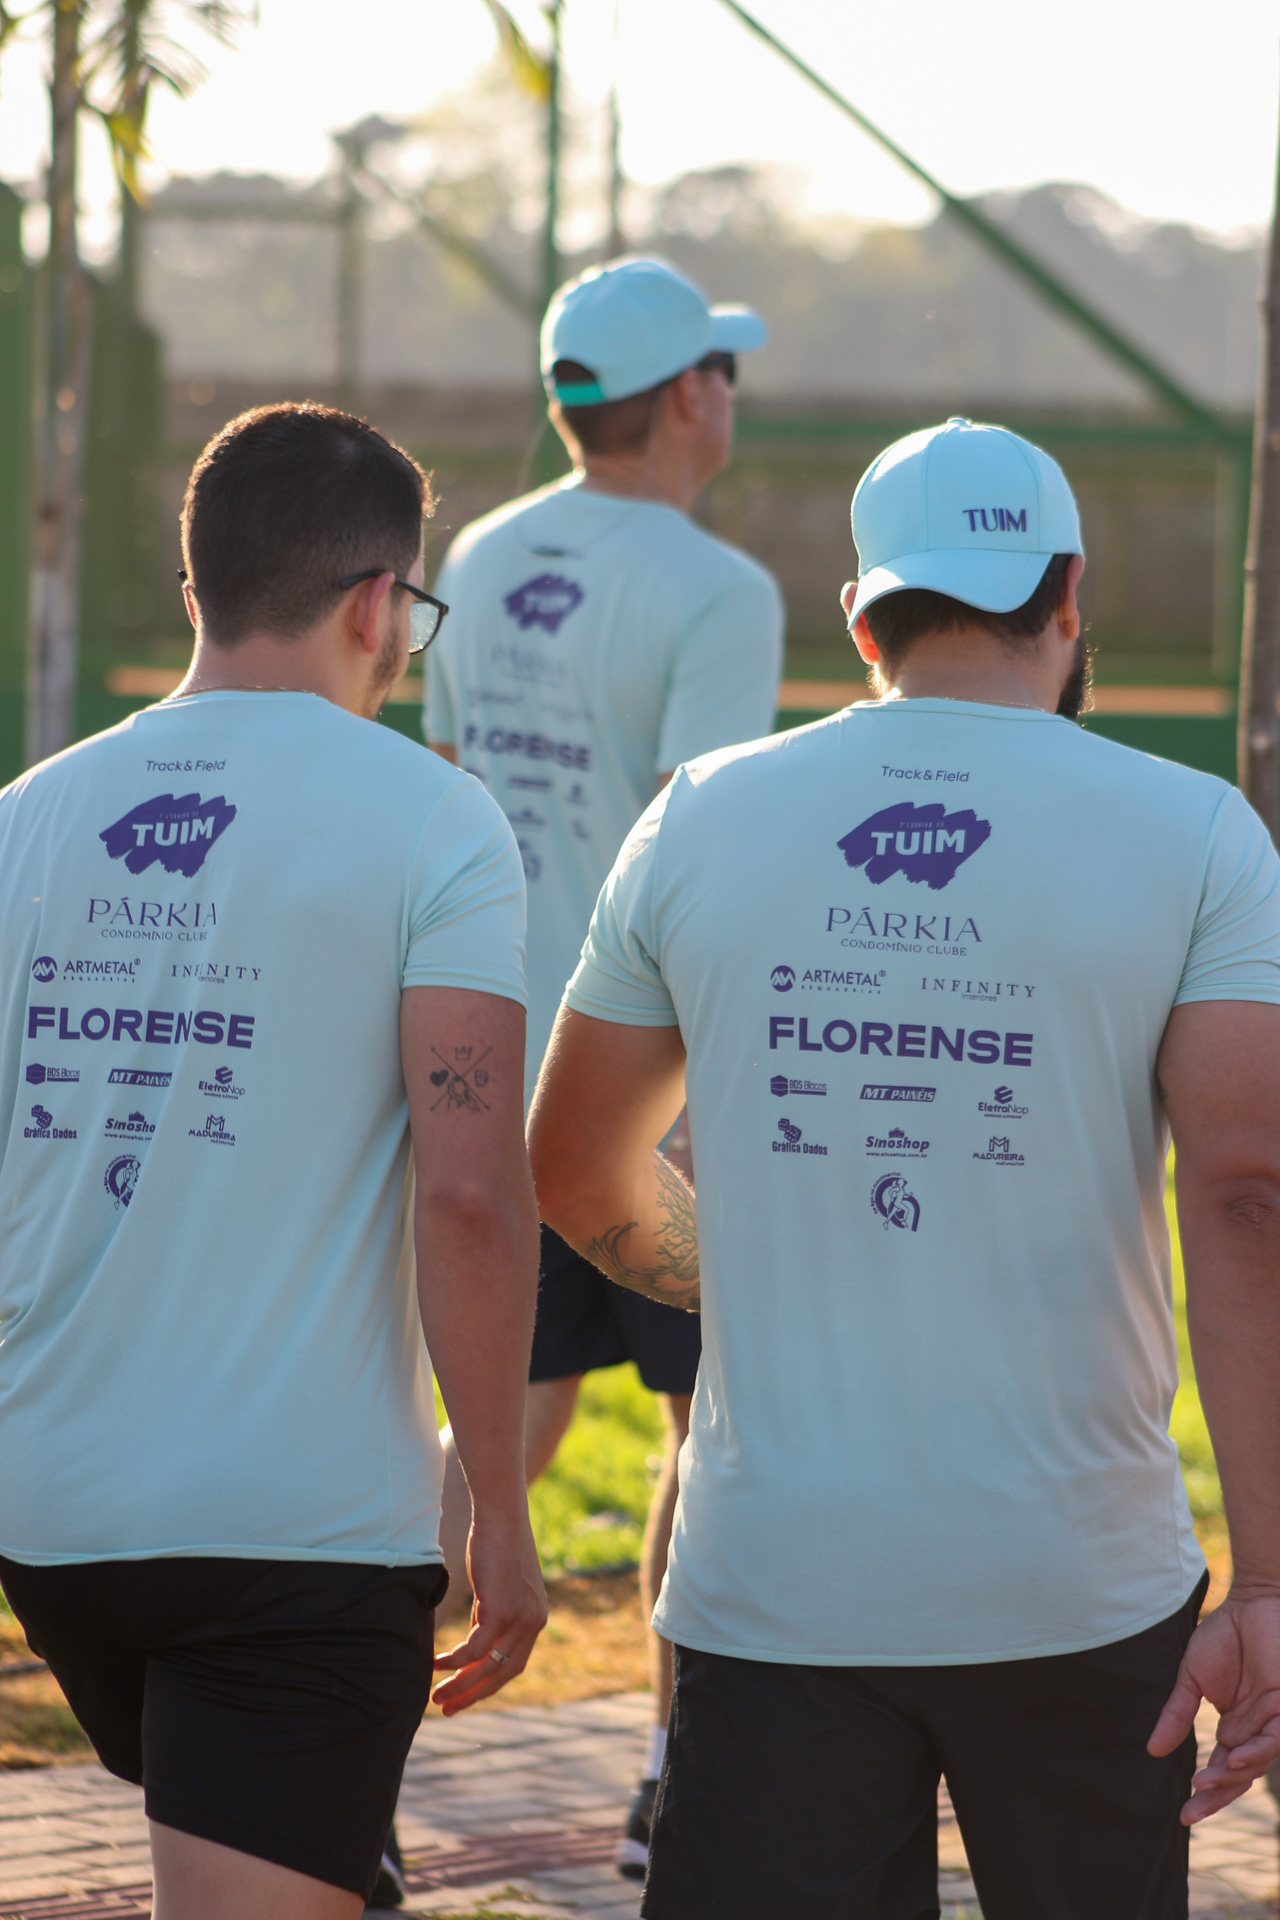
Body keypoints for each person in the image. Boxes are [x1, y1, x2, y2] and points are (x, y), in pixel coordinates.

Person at [528, 416, 1280, 1919]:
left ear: (864, 619)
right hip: (1081, 1583)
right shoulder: (1198, 831)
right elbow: (1245, 1192)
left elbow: (574, 1166)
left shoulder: (702, 813)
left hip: (777, 1587)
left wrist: (738, 1279)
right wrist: (1264, 1582)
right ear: (1070, 596)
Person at [0, 403, 546, 1920]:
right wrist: (499, 1510)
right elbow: (468, 1190)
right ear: (378, 605)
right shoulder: (435, 819)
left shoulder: (25, 821)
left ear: (200, 589)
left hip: (54, 1516)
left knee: (267, 1849)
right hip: (295, 1537)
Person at [425, 254, 783, 1874]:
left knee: (499, 1430)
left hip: (486, 1062)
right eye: (724, 369)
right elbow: (698, 855)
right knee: (711, 1430)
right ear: (690, 395)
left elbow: (451, 799)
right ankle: (668, 1785)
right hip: (643, 1095)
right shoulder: (720, 590)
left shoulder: (481, 553)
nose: (731, 394)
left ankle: (353, 1787)